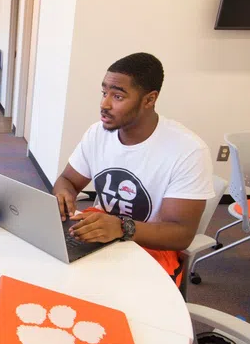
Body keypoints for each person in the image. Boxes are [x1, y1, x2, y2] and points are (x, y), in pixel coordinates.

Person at [52, 52, 214, 284]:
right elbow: (67, 180)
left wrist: (121, 227)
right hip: (100, 233)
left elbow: (181, 235)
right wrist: (63, 195)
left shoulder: (188, 150)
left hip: (151, 247)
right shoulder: (97, 133)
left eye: (117, 96)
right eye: (104, 92)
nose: (104, 104)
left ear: (149, 100)